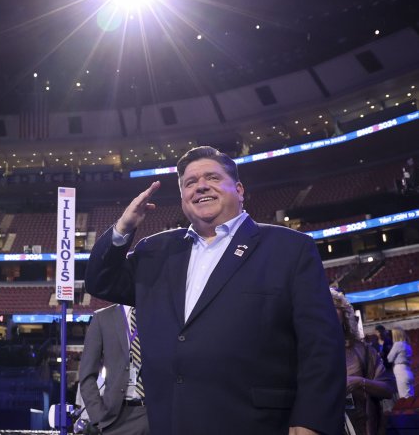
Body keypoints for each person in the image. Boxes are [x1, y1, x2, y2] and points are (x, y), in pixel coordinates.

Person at [85, 146, 345, 435]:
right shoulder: (156, 252)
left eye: (212, 177)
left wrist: (312, 422)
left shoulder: (290, 248)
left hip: (257, 424)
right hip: (172, 423)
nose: (201, 186)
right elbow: (100, 282)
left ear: (239, 188)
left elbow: (321, 346)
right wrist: (124, 227)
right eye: (190, 182)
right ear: (183, 196)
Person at [78, 304, 149, 435]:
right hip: (115, 419)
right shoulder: (102, 318)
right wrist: (97, 415)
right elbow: (86, 374)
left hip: (154, 416)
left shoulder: (159, 314)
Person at [332, 289, 395, 435]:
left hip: (364, 427)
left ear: (345, 318)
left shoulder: (363, 351)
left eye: (334, 307)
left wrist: (360, 382)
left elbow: (388, 389)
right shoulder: (306, 354)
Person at [388, 326, 415, 399]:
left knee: (404, 400)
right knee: (410, 400)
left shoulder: (398, 344)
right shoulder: (407, 344)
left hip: (401, 372)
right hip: (408, 372)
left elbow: (389, 358)